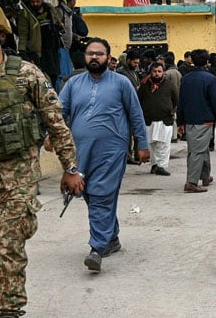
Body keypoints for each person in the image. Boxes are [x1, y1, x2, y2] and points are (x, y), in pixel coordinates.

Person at [0, 0, 83, 318]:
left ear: (0, 33)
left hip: (19, 179)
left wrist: (70, 168)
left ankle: (8, 310)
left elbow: (55, 121)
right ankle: (1, 296)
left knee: (8, 246)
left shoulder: (26, 74)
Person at [59, 37, 150, 273]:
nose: (94, 57)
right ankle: (112, 238)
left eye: (99, 54)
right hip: (81, 151)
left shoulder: (121, 83)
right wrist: (52, 137)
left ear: (109, 58)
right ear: (85, 57)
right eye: (90, 53)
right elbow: (60, 114)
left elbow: (136, 114)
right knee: (89, 192)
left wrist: (142, 144)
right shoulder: (72, 84)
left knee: (101, 194)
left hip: (112, 150)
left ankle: (96, 248)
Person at [177, 49, 216, 193]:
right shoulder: (210, 79)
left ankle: (205, 176)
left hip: (190, 118)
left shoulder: (185, 78)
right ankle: (191, 182)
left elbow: (181, 101)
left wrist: (180, 121)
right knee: (197, 151)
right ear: (207, 61)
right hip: (205, 119)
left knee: (200, 149)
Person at [138, 62, 178, 176]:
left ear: (163, 72)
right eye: (154, 71)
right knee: (152, 144)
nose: (157, 74)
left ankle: (162, 166)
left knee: (164, 144)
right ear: (151, 72)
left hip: (165, 120)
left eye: (159, 71)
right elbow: (139, 101)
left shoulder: (169, 85)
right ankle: (154, 165)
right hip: (149, 120)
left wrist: (170, 110)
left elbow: (175, 99)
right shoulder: (144, 85)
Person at [17, 0, 64, 87]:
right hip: (38, 51)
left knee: (54, 76)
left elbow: (58, 23)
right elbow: (23, 34)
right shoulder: (26, 14)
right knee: (41, 79)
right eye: (32, 2)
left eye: (37, 1)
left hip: (52, 48)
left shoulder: (49, 9)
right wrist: (22, 52)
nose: (35, 4)